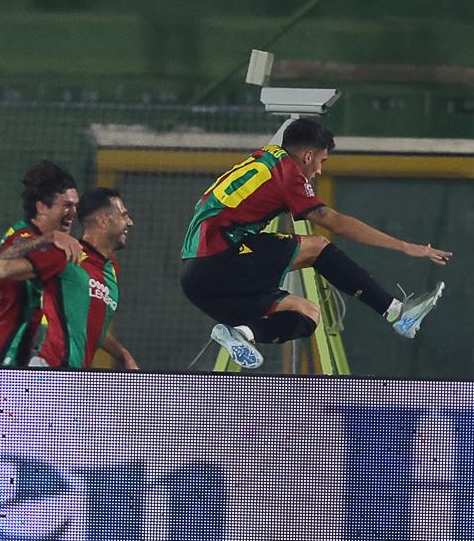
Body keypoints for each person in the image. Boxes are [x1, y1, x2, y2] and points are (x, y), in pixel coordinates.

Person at [180, 117, 452, 369]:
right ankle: (395, 313)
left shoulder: (266, 157)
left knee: (308, 313)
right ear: (308, 155)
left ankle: (241, 333)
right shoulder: (288, 172)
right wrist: (405, 246)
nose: (319, 171)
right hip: (219, 258)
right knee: (317, 247)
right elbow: (334, 221)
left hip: (199, 280)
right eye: (321, 161)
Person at [0, 187, 138, 370]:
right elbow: (6, 269)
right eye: (124, 215)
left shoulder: (111, 269)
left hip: (73, 381)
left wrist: (123, 354)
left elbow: (92, 324)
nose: (130, 222)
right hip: (47, 374)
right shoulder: (67, 256)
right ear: (102, 221)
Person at [0, 160, 82, 368]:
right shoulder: (25, 237)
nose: (74, 213)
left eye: (76, 205)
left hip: (16, 355)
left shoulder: (47, 243)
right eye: (67, 206)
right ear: (41, 207)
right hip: (3, 356)